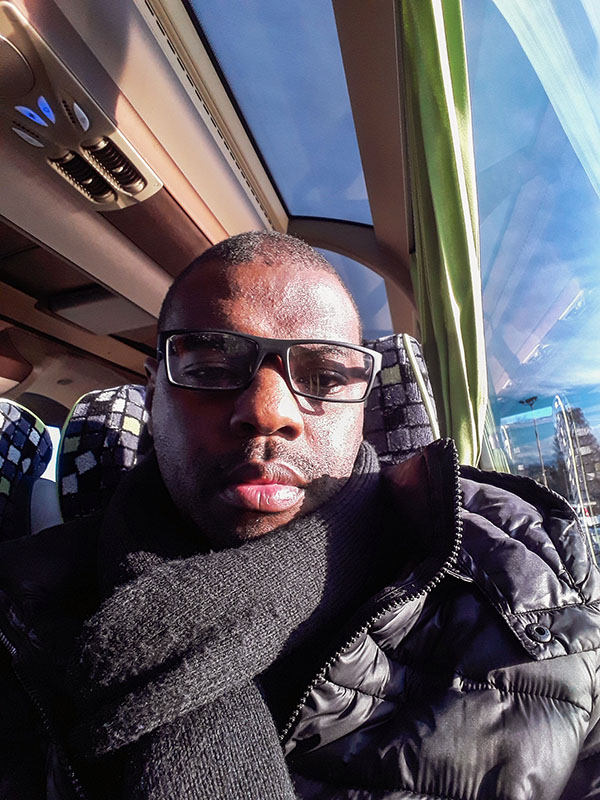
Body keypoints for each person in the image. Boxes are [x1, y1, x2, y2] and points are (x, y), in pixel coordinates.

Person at [0, 231, 599, 800]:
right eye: (210, 369)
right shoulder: (20, 607)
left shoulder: (539, 582)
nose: (268, 411)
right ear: (153, 394)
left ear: (365, 405)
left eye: (326, 377)